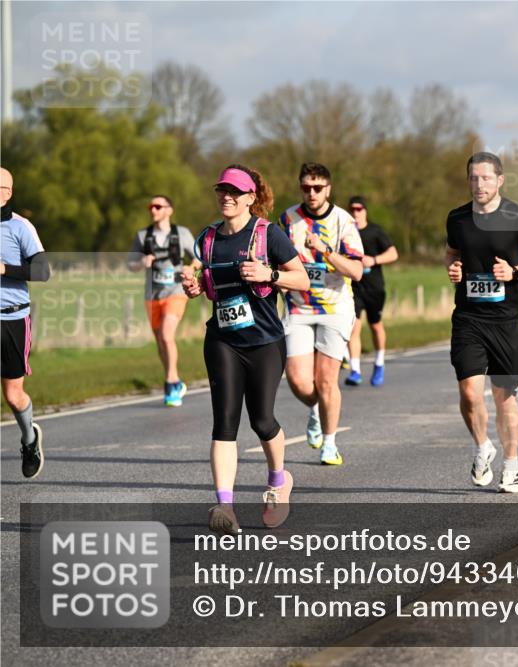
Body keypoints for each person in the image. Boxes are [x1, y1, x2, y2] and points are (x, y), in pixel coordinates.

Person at [182, 164, 309, 535]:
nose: (227, 197)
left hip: (264, 341)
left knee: (262, 421)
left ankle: (278, 481)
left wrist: (270, 274)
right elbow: (209, 285)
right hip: (222, 340)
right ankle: (225, 507)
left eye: (235, 192)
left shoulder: (268, 235)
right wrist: (195, 287)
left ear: (251, 198)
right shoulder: (208, 238)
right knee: (224, 422)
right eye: (222, 190)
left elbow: (302, 279)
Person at [445, 152, 518, 494]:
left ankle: (511, 465)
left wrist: (514, 272)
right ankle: (482, 447)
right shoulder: (457, 218)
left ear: (500, 180)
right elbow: (452, 252)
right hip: (469, 317)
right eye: (474, 178)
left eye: (486, 178)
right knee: (469, 392)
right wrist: (453, 268)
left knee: (504, 395)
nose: (479, 184)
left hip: (508, 319)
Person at [277, 163, 364, 464]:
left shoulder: (343, 221)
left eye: (317, 188)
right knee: (299, 381)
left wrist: (325, 250)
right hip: (298, 307)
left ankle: (330, 443)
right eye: (306, 187)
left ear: (328, 188)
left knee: (326, 380)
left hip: (335, 307)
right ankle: (316, 409)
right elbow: (275, 261)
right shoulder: (287, 219)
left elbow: (356, 270)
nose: (311, 193)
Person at [0, 167, 51, 479]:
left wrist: (5, 269)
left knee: (13, 395)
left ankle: (30, 440)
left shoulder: (20, 227)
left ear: (6, 193)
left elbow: (43, 271)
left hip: (13, 317)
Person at [127, 195, 200, 406]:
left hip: (176, 291)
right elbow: (130, 265)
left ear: (169, 210)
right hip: (152, 295)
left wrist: (191, 267)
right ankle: (176, 381)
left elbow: (199, 256)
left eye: (158, 206)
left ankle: (170, 383)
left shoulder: (182, 233)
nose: (153, 210)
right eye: (151, 206)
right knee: (160, 340)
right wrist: (142, 262)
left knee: (167, 335)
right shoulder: (142, 236)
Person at [346, 195, 398, 386]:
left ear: (365, 211)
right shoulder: (346, 232)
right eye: (352, 209)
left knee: (375, 326)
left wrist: (374, 260)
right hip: (354, 287)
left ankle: (379, 363)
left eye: (359, 209)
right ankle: (355, 370)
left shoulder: (375, 231)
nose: (355, 212)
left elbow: (393, 253)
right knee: (354, 327)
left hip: (374, 287)